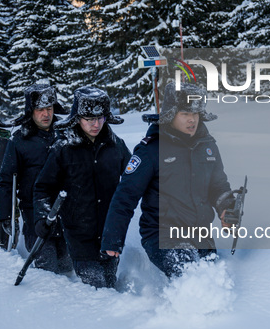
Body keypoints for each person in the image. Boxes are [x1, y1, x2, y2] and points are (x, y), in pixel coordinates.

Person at [101, 83, 235, 278]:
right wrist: (112, 239)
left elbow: (218, 185)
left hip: (200, 236)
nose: (192, 120)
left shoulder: (208, 147)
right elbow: (125, 196)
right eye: (185, 114)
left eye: (195, 114)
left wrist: (226, 207)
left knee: (214, 280)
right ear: (171, 114)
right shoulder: (150, 151)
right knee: (191, 278)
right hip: (162, 235)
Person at [34, 86, 131, 288]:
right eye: (89, 119)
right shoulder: (63, 149)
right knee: (96, 286)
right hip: (79, 233)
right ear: (78, 118)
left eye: (101, 118)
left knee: (109, 284)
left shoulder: (116, 145)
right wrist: (42, 218)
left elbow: (134, 179)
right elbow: (43, 188)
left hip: (110, 231)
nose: (96, 124)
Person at [0, 84, 72, 274]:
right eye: (40, 110)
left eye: (49, 108)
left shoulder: (66, 133)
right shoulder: (19, 140)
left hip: (67, 211)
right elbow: (6, 180)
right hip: (34, 213)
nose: (46, 114)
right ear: (31, 111)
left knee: (68, 265)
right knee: (47, 267)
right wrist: (5, 215)